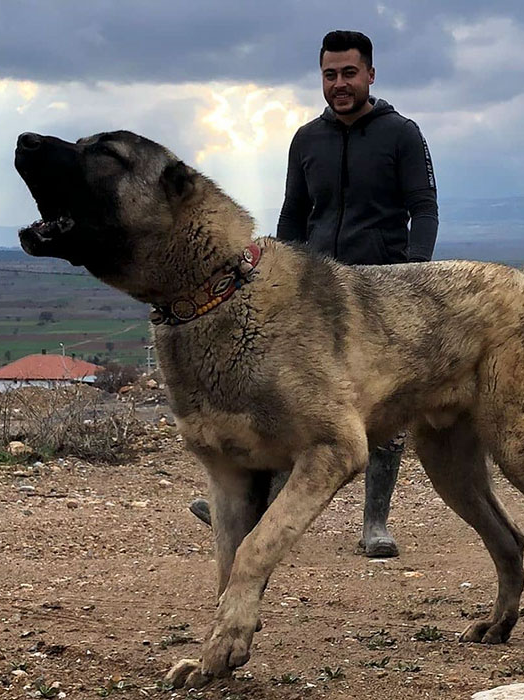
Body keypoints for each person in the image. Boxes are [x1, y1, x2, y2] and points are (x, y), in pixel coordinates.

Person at [190, 29, 438, 558]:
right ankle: (255, 510)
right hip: (314, 293)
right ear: (321, 78)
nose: (340, 84)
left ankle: (375, 523)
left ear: (371, 74)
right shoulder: (306, 139)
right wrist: (274, 275)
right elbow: (292, 214)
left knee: (384, 405)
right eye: (331, 74)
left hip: (383, 290)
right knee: (290, 402)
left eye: (350, 73)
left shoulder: (403, 134)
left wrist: (415, 275)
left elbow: (424, 208)